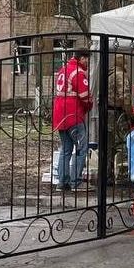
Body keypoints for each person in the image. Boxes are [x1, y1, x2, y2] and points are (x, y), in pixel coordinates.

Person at [53, 49, 93, 191]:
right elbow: (85, 96)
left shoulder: (63, 70)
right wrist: (89, 106)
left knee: (66, 149)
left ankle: (62, 182)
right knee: (82, 148)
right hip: (73, 115)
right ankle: (76, 181)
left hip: (60, 116)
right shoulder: (78, 72)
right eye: (87, 59)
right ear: (81, 58)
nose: (87, 62)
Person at [106, 54, 133, 185]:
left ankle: (107, 175)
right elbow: (125, 98)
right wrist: (130, 116)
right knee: (122, 144)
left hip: (107, 113)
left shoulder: (109, 75)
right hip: (118, 114)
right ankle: (122, 175)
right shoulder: (120, 75)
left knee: (108, 146)